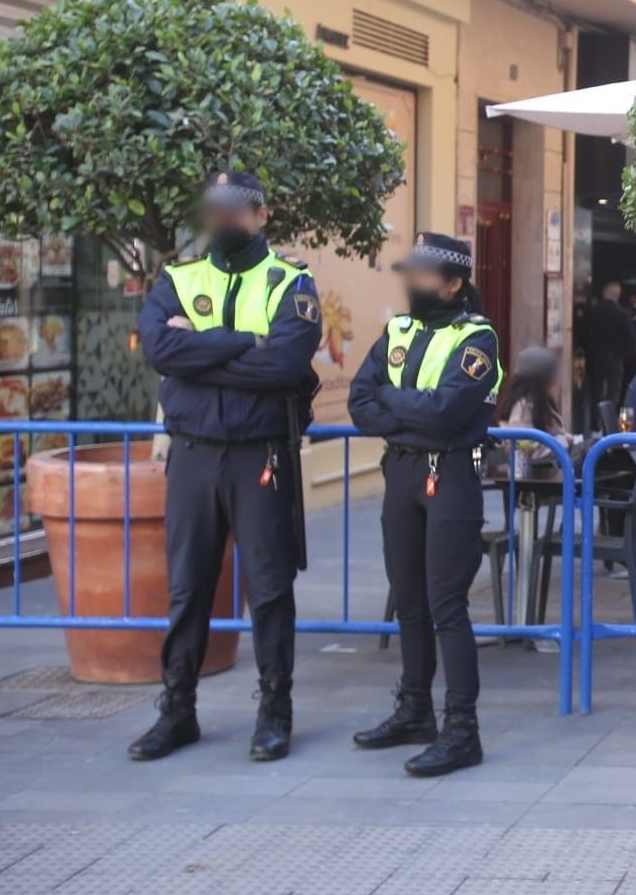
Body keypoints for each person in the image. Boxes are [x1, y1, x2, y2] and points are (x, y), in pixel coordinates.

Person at [130, 171, 322, 764]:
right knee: (187, 589)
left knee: (268, 587)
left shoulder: (291, 281)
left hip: (259, 453)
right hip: (191, 453)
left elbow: (286, 366)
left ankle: (274, 711)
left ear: (261, 216)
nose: (223, 221)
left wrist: (199, 351)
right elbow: (160, 350)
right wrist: (246, 344)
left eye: (235, 211)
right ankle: (178, 710)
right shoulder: (179, 278)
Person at [346, 233, 501, 777]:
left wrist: (396, 402)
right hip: (403, 472)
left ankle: (462, 730)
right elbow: (359, 402)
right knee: (408, 600)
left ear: (454, 283)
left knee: (446, 605)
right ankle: (414, 709)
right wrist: (410, 409)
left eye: (423, 274)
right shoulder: (398, 330)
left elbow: (444, 415)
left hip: (451, 475)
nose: (412, 283)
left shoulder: (477, 340)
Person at [497, 345, 566, 473]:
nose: (554, 383)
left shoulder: (540, 402)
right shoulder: (522, 408)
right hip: (536, 473)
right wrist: (564, 441)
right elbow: (527, 449)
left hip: (548, 468)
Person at [582, 279, 636, 431]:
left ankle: (593, 426)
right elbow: (631, 339)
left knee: (596, 392)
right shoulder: (623, 314)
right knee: (613, 394)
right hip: (615, 359)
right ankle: (609, 427)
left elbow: (585, 333)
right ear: (617, 295)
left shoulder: (593, 312)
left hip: (596, 358)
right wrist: (622, 353)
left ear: (604, 294)